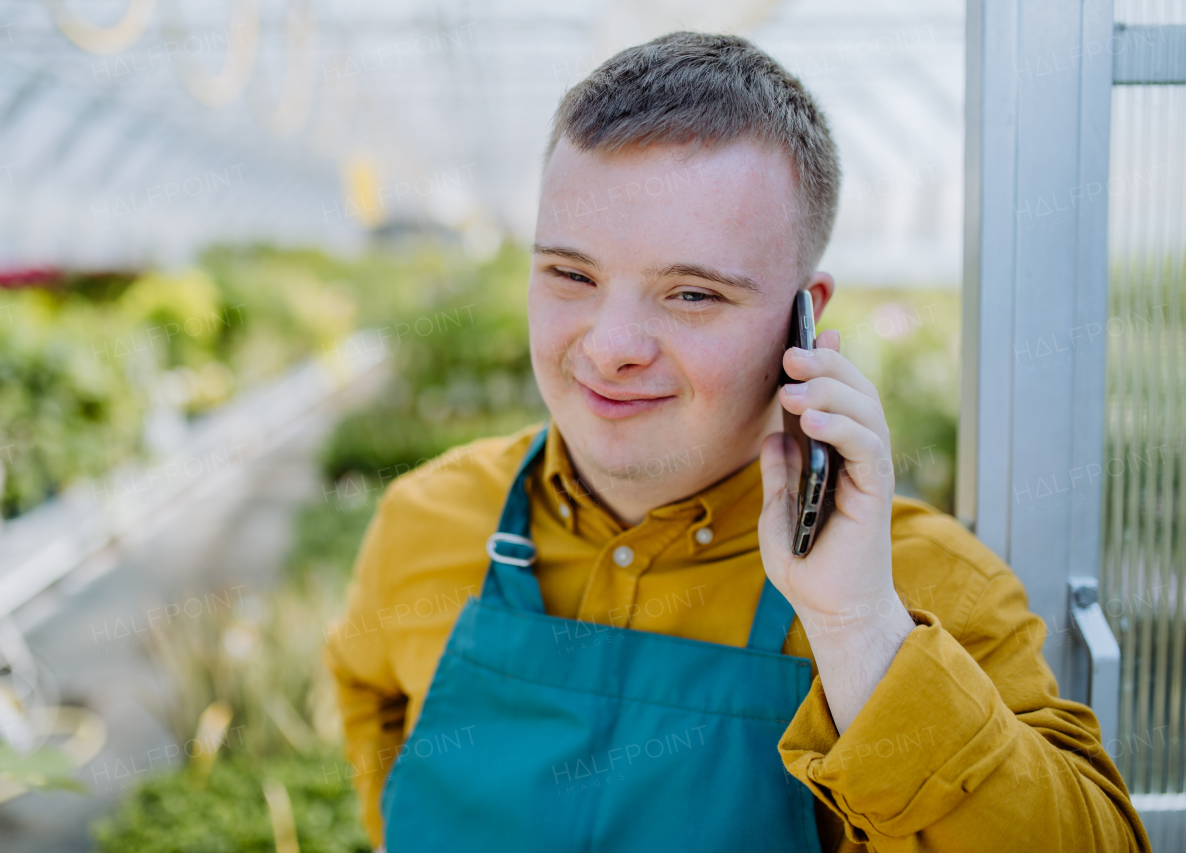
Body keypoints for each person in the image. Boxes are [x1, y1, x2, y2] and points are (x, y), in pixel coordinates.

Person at [327, 31, 1148, 853]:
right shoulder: (423, 520)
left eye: (691, 292)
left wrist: (860, 630)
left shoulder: (926, 588)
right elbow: (372, 704)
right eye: (571, 275)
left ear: (805, 316)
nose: (611, 345)